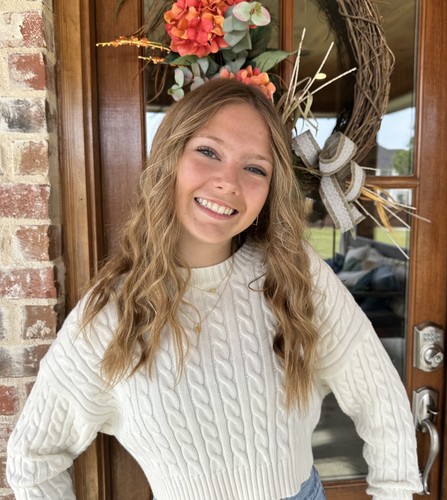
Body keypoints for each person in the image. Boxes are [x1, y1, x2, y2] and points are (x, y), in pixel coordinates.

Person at [7, 78, 421, 500]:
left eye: (255, 168)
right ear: (171, 157)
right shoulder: (110, 313)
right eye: (208, 152)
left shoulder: (296, 274)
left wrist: (394, 492)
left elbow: (379, 394)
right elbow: (34, 460)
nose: (228, 182)